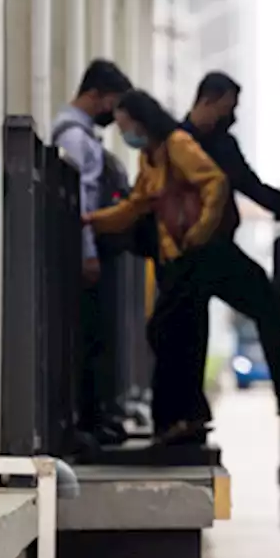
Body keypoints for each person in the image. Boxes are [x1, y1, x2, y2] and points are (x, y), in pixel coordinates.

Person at [84, 89, 230, 445]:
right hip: (172, 259)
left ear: (141, 121)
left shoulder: (178, 145)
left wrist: (201, 230)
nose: (124, 134)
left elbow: (216, 182)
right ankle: (178, 420)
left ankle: (182, 417)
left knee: (167, 332)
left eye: (126, 126)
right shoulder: (150, 159)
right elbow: (135, 206)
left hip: (190, 256)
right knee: (171, 334)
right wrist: (92, 220)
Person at [172, 72, 280, 416]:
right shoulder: (183, 145)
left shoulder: (209, 142)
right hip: (198, 252)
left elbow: (248, 183)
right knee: (193, 334)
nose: (233, 116)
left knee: (256, 307)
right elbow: (249, 186)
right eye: (229, 107)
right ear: (208, 101)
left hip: (209, 251)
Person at [52, 59, 133, 446]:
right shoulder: (73, 138)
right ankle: (86, 420)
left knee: (95, 337)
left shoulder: (78, 136)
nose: (113, 115)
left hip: (88, 252)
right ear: (94, 95)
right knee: (89, 338)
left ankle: (94, 416)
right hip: (85, 255)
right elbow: (81, 201)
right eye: (111, 103)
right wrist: (88, 254)